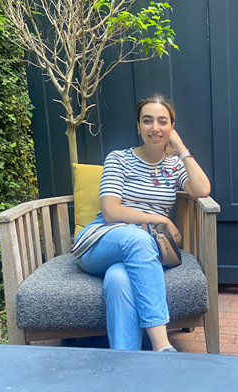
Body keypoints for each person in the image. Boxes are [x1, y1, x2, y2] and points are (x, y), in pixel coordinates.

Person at [71, 94, 211, 352]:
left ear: (172, 127)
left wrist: (181, 150)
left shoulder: (174, 167)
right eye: (147, 121)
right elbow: (111, 211)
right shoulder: (119, 159)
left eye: (162, 121)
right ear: (138, 126)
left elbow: (202, 189)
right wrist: (159, 218)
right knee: (138, 238)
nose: (155, 128)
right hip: (102, 239)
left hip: (144, 249)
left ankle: (127, 367)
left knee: (118, 279)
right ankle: (162, 347)